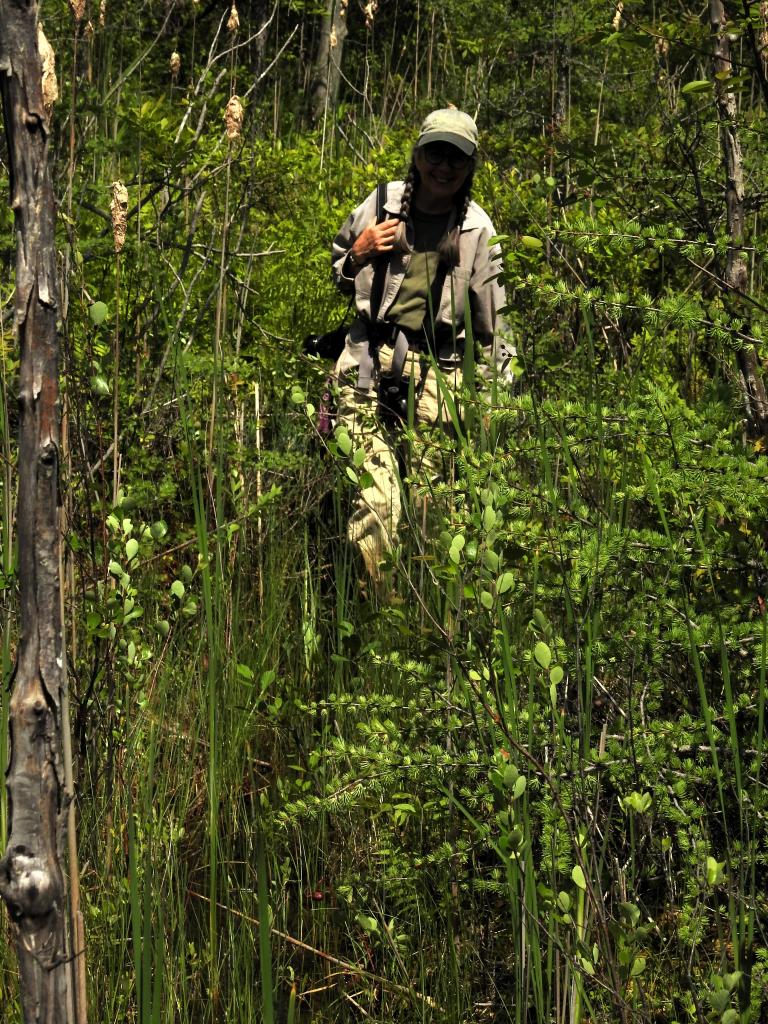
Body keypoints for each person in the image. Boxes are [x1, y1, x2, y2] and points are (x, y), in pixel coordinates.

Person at [331, 107, 514, 581]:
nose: (444, 166)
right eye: (436, 153)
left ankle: (430, 618)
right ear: (417, 155)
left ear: (470, 166)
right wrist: (358, 254)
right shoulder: (381, 204)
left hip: (441, 375)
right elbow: (338, 270)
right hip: (368, 365)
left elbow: (495, 329)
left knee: (435, 514)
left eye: (457, 158)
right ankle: (378, 609)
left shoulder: (478, 229)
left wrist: (492, 401)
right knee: (378, 504)